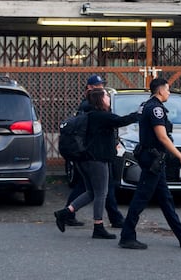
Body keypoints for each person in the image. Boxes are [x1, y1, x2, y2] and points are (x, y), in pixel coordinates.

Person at [119, 77, 181, 249]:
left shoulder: (145, 105)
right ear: (159, 90)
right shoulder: (156, 109)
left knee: (165, 199)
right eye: (167, 89)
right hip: (152, 159)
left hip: (152, 158)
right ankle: (127, 236)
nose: (169, 92)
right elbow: (162, 137)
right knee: (141, 198)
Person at [54, 88, 139, 239]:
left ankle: (65, 213)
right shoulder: (101, 116)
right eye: (106, 95)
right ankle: (98, 226)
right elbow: (121, 121)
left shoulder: (91, 115)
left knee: (91, 192)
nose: (108, 97)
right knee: (101, 193)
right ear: (100, 99)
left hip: (85, 159)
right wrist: (139, 114)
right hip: (96, 160)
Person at [64, 74, 125, 228]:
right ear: (90, 88)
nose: (101, 88)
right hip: (94, 154)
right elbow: (104, 125)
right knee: (102, 189)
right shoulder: (90, 106)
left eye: (102, 85)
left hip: (96, 152)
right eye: (98, 86)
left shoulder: (93, 105)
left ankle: (67, 213)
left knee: (90, 188)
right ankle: (111, 219)